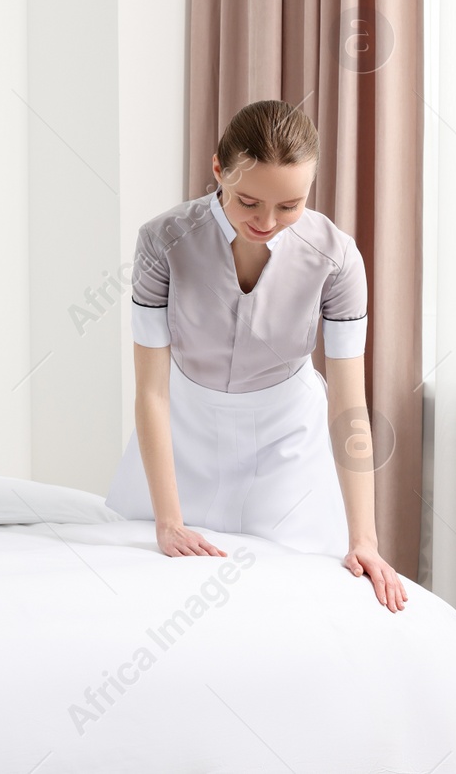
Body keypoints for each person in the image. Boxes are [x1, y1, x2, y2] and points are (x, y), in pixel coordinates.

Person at [105, 100, 407, 611]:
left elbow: (348, 404)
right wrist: (168, 520)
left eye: (290, 206)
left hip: (286, 437)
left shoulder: (336, 259)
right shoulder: (163, 241)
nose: (267, 221)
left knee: (282, 602)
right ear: (219, 171)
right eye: (248, 201)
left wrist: (365, 540)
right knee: (151, 597)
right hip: (182, 426)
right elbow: (151, 391)